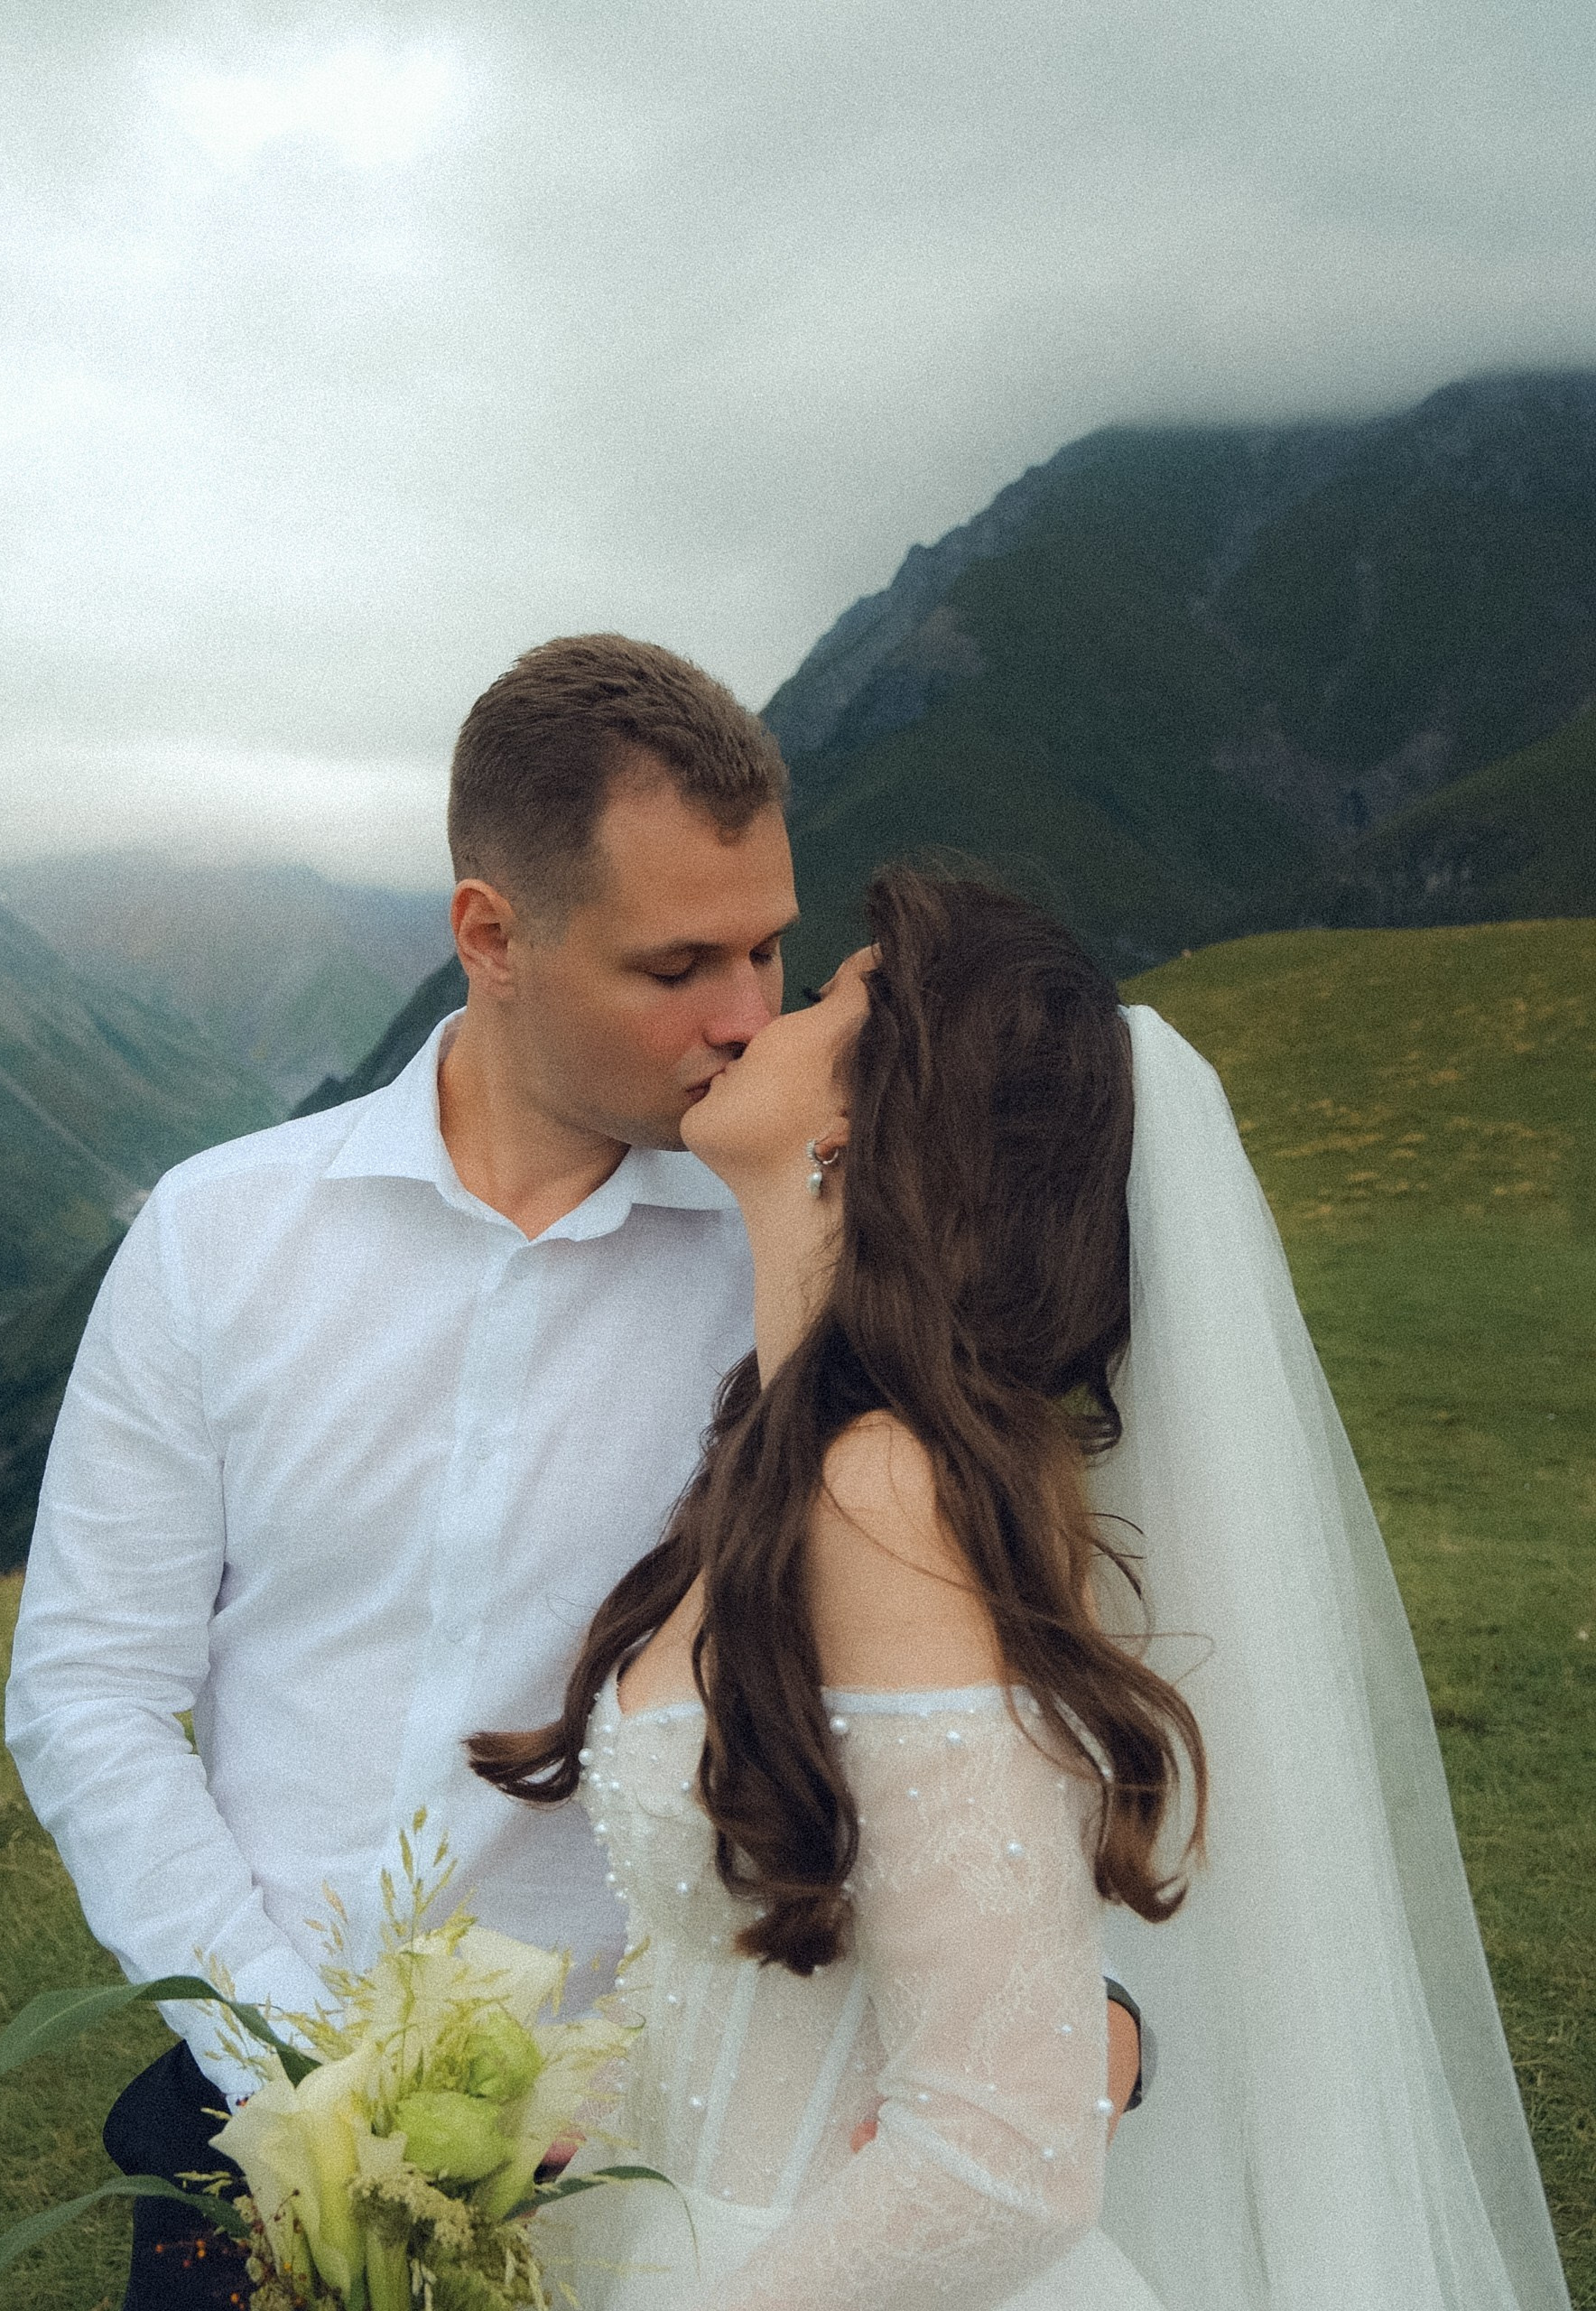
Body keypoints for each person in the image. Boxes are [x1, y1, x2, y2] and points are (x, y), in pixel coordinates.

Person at [5, 641, 1146, 2309]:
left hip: (641, 2172)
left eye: (770, 946)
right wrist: (297, 2061)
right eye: (681, 962)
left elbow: (1003, 1701)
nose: (749, 1012)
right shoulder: (218, 1236)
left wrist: (1086, 2014)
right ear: (493, 935)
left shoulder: (806, 1271)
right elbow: (91, 1689)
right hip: (250, 2120)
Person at [471, 868, 1573, 2311]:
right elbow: (765, 1981)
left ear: (862, 1129)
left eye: (821, 994)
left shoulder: (879, 1493)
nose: (755, 1020)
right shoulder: (779, 1458)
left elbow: (1007, 2152)